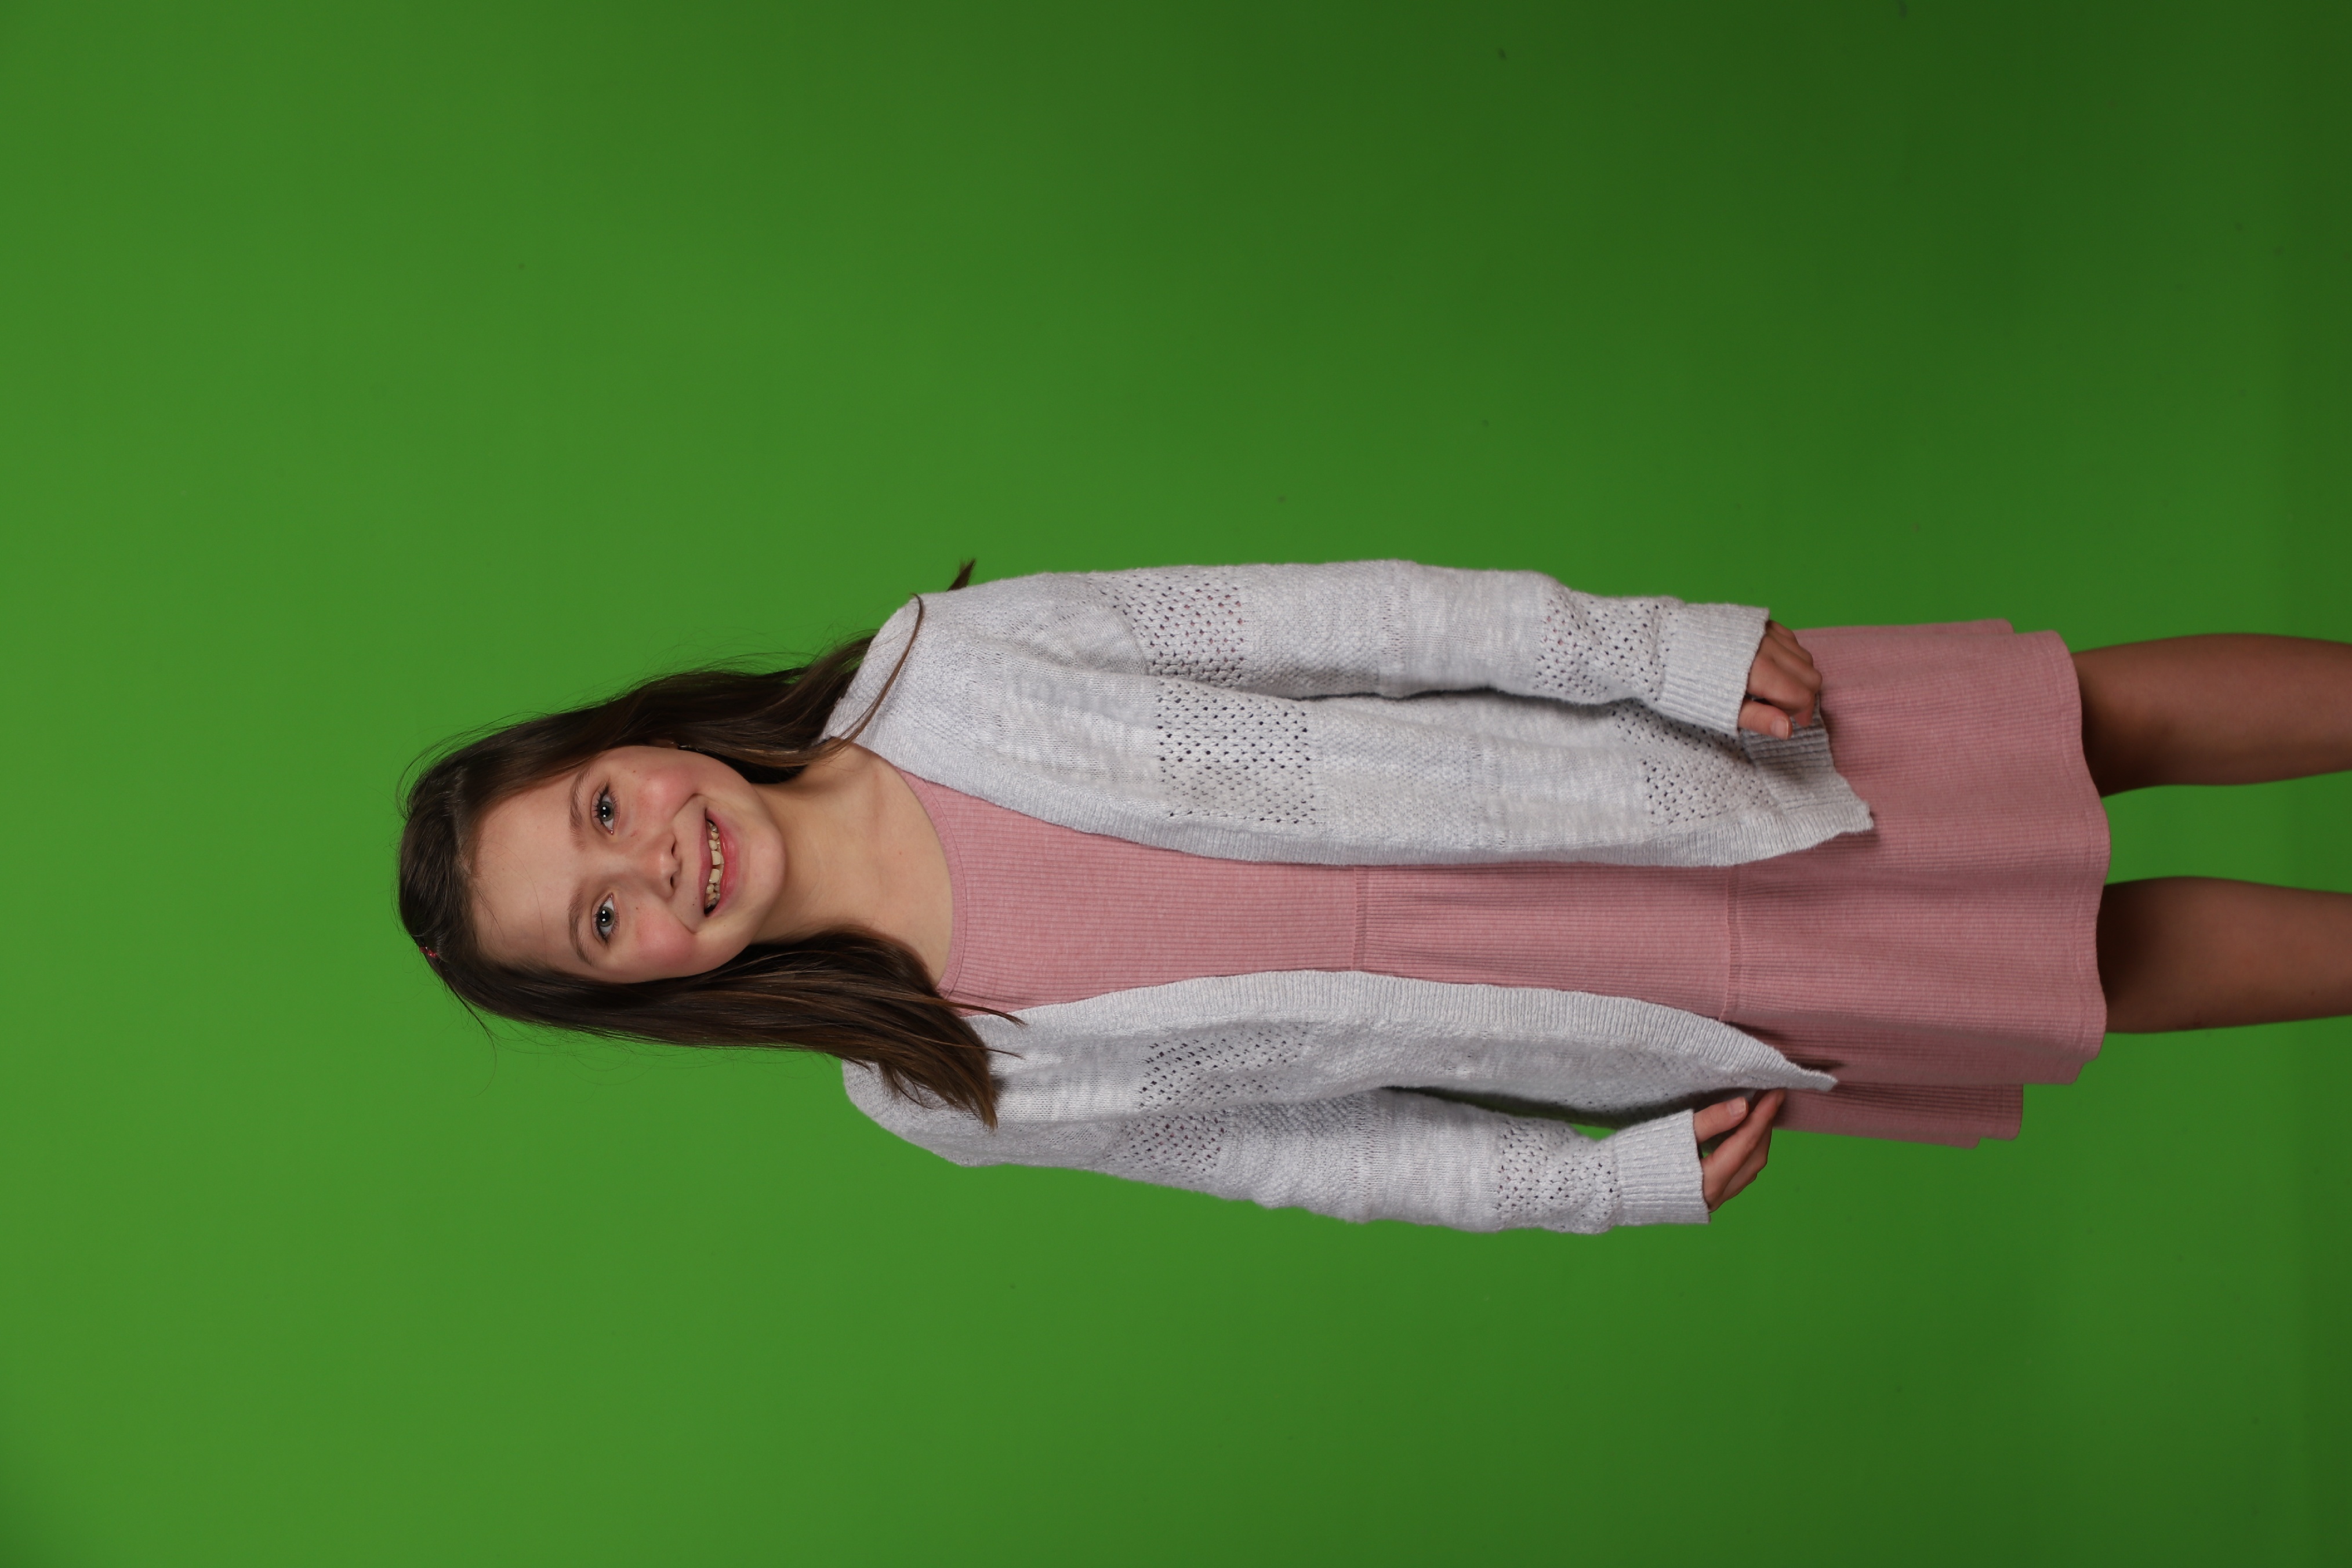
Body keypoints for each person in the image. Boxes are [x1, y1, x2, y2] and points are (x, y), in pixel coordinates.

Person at [398, 560, 2352, 1233]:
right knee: (2090, 964)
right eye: (600, 922)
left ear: (629, 741)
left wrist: (1649, 653)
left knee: (2077, 724)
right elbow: (1301, 1157)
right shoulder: (935, 1086)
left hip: (1610, 775)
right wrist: (1589, 1185)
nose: (650, 861)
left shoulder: (951, 665)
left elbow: (1343, 617)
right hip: (1607, 1008)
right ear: (636, 989)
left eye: (598, 811)